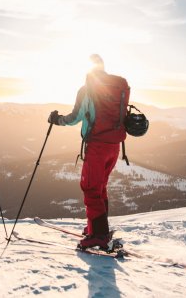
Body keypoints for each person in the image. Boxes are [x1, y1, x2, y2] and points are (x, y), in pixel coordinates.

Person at [48, 54, 130, 249]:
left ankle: (99, 235)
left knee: (90, 187)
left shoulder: (87, 90)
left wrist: (56, 119)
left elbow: (75, 117)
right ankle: (96, 226)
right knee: (100, 186)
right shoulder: (119, 88)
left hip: (97, 145)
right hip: (114, 145)